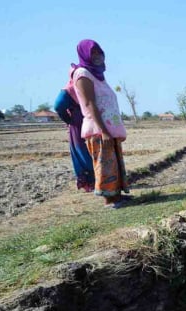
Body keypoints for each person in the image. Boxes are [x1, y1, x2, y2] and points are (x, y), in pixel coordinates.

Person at [72, 39, 130, 209]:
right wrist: (103, 131)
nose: (97, 56)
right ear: (85, 55)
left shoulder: (98, 76)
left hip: (108, 129)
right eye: (93, 53)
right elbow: (90, 103)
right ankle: (109, 201)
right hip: (98, 130)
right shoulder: (82, 74)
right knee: (104, 165)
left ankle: (117, 196)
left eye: (99, 52)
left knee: (113, 163)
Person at [54, 68, 95, 192]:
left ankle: (100, 181)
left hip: (90, 121)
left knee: (92, 152)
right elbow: (58, 105)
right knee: (84, 153)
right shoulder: (69, 90)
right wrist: (69, 120)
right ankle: (92, 182)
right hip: (79, 124)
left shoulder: (90, 85)